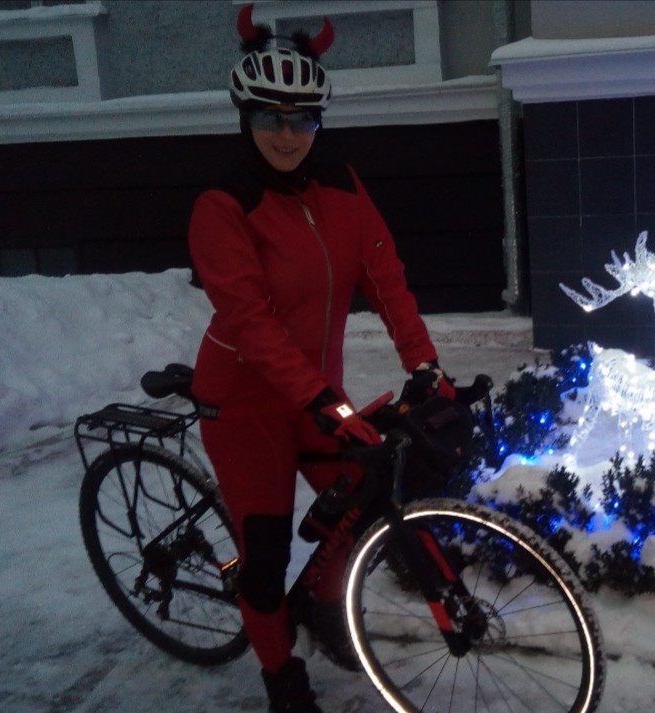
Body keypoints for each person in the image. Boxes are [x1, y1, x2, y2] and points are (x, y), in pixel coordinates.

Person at [187, 6, 452, 712]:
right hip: (244, 403)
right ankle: (282, 678)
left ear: (318, 121)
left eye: (302, 118)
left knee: (366, 495)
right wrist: (318, 398)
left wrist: (424, 364)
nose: (287, 134)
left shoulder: (343, 188)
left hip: (312, 393)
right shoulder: (223, 206)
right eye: (269, 117)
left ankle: (324, 606)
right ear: (244, 117)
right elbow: (249, 320)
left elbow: (385, 277)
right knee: (265, 554)